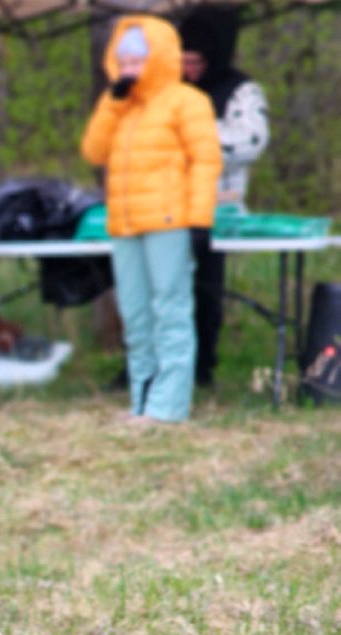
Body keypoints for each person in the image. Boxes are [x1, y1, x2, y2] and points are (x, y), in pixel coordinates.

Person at [82, 17, 221, 423]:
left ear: (157, 57)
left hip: (168, 221)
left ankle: (169, 407)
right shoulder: (121, 105)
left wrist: (199, 221)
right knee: (136, 313)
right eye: (122, 59)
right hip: (126, 225)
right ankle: (142, 399)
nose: (129, 67)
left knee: (170, 311)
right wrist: (112, 100)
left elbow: (205, 162)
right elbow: (94, 150)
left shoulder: (186, 101)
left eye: (137, 59)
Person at [180, 5, 270, 387]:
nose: (190, 69)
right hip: (170, 210)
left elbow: (250, 142)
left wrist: (194, 136)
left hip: (219, 209)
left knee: (206, 291)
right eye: (184, 61)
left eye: (198, 62)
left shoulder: (241, 91)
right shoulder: (170, 88)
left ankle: (203, 365)